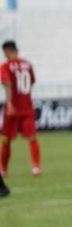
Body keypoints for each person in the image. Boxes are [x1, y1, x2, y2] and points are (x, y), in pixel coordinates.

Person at [1, 40, 41, 178]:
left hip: (12, 108)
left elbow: (7, 83)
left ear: (6, 51)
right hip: (27, 107)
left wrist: (10, 103)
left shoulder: (5, 66)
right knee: (32, 138)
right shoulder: (28, 64)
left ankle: (3, 170)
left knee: (6, 140)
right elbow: (32, 82)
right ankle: (36, 167)